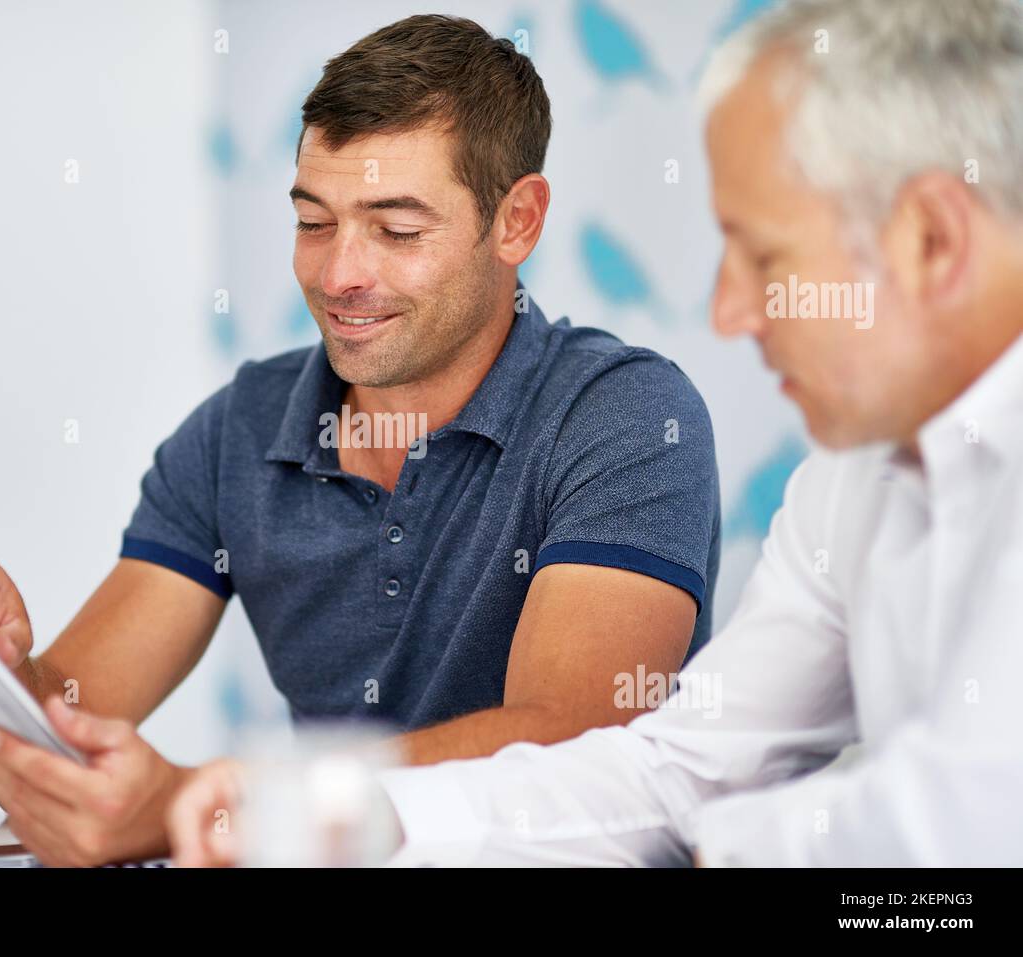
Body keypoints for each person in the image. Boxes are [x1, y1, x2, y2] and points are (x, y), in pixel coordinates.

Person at [169, 0, 1023, 867]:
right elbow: (679, 769)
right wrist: (328, 809)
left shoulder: (623, 409)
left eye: (765, 258)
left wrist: (714, 847)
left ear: (931, 239)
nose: (728, 312)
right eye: (314, 222)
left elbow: (957, 830)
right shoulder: (852, 482)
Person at [0, 15, 721, 867]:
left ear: (516, 220)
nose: (338, 277)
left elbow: (569, 745)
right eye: (313, 222)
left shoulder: (626, 416)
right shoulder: (242, 429)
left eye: (397, 230)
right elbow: (70, 733)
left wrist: (228, 806)